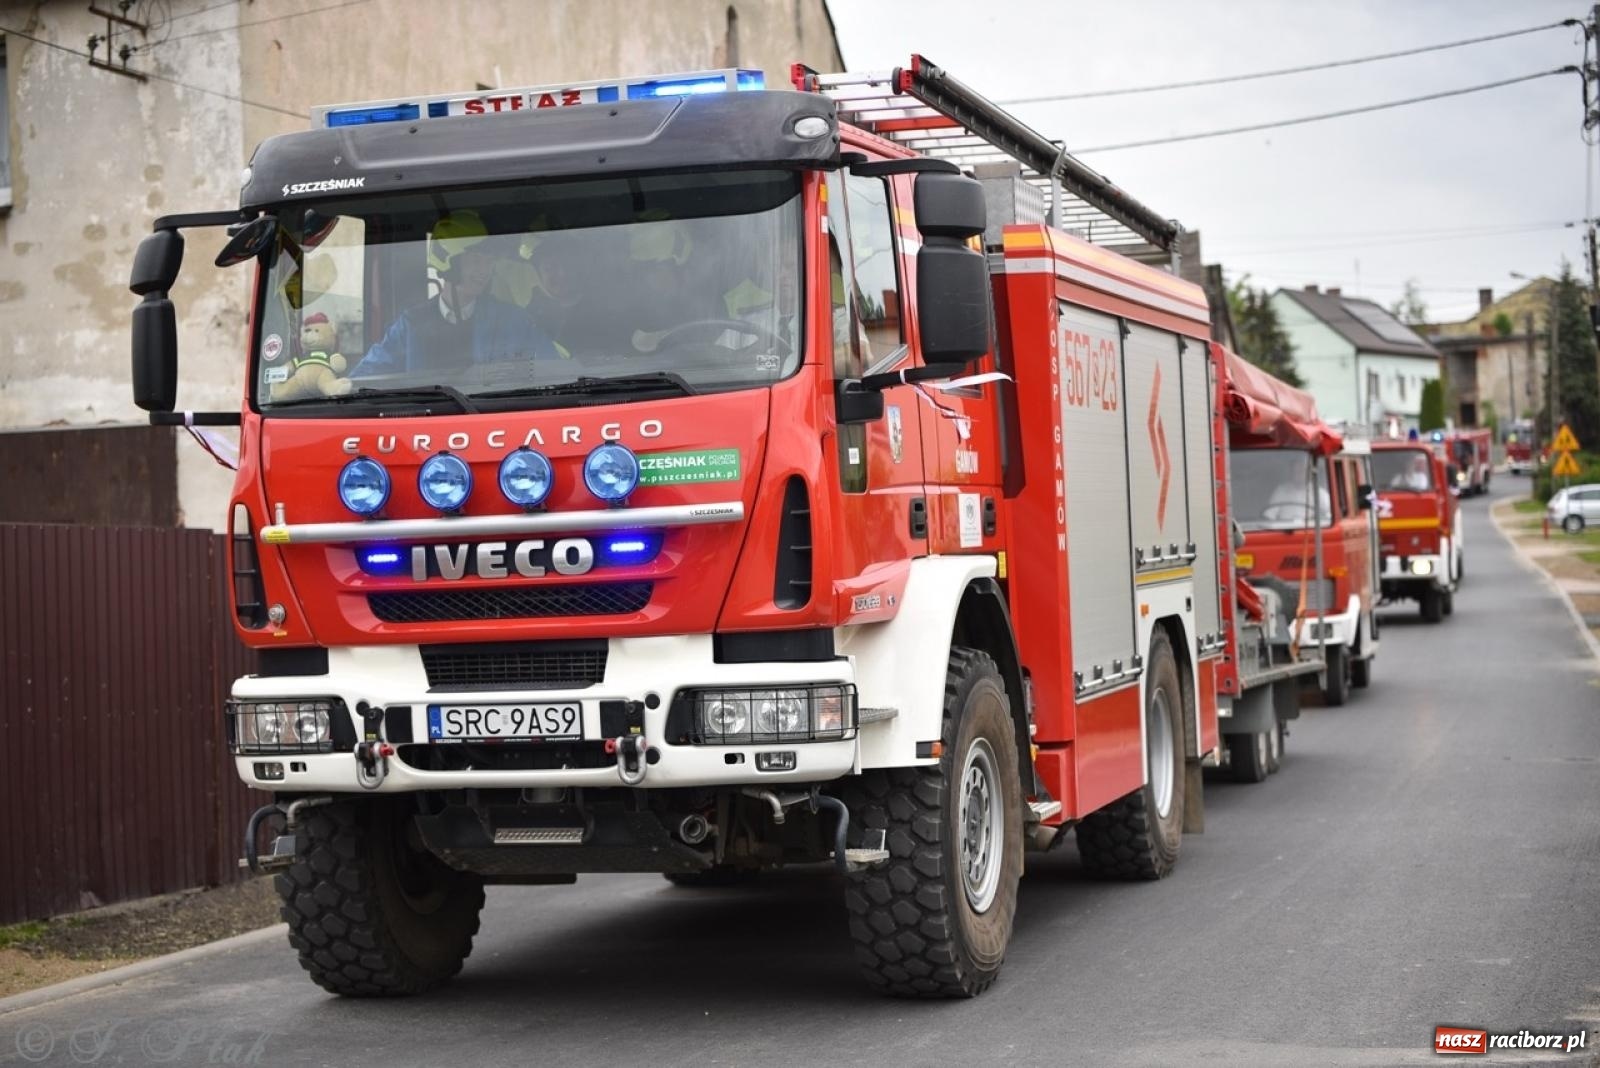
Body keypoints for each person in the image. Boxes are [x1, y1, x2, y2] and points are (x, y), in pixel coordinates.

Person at [352, 210, 561, 376]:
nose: (484, 271)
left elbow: (557, 371)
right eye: (475, 261)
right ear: (448, 262)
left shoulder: (513, 321)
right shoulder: (411, 324)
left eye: (489, 262)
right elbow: (363, 378)